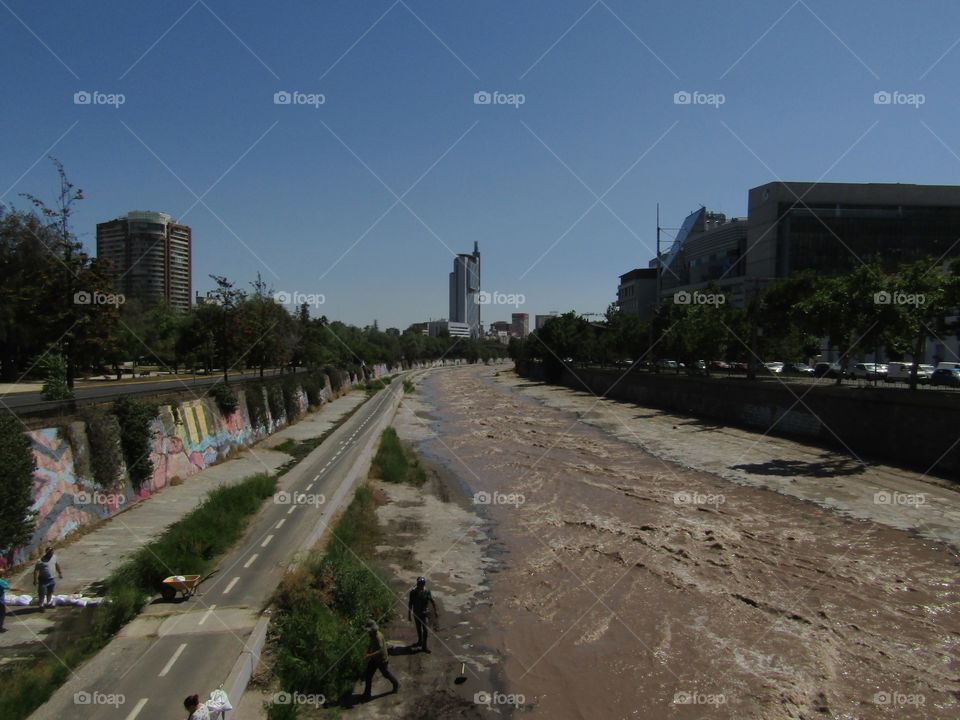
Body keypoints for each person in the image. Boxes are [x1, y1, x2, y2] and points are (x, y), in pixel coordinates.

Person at [361, 619, 398, 700]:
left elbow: (380, 651)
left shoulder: (378, 636)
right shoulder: (372, 635)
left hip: (382, 660)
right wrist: (368, 652)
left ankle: (396, 684)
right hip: (375, 659)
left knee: (386, 674)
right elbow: (371, 645)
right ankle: (367, 694)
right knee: (368, 675)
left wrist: (369, 655)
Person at [407, 576, 439, 653]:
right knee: (418, 628)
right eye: (419, 584)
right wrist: (409, 615)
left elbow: (432, 601)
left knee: (425, 629)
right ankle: (419, 641)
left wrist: (435, 611)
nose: (421, 585)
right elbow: (410, 604)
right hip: (416, 613)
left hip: (424, 613)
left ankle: (424, 646)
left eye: (422, 584)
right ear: (417, 584)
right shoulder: (413, 592)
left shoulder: (427, 591)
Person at [33, 546, 63, 611]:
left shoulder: (54, 557)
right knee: (42, 593)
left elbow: (56, 565)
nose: (51, 554)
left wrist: (60, 573)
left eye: (52, 552)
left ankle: (48, 603)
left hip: (51, 579)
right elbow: (36, 570)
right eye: (50, 553)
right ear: (47, 553)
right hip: (43, 579)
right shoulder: (40, 561)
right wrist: (35, 579)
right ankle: (41, 605)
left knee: (50, 591)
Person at [0, 567, 24, 632]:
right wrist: (19, 589)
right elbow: (9, 588)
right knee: (1, 614)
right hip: (0, 602)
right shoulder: (1, 582)